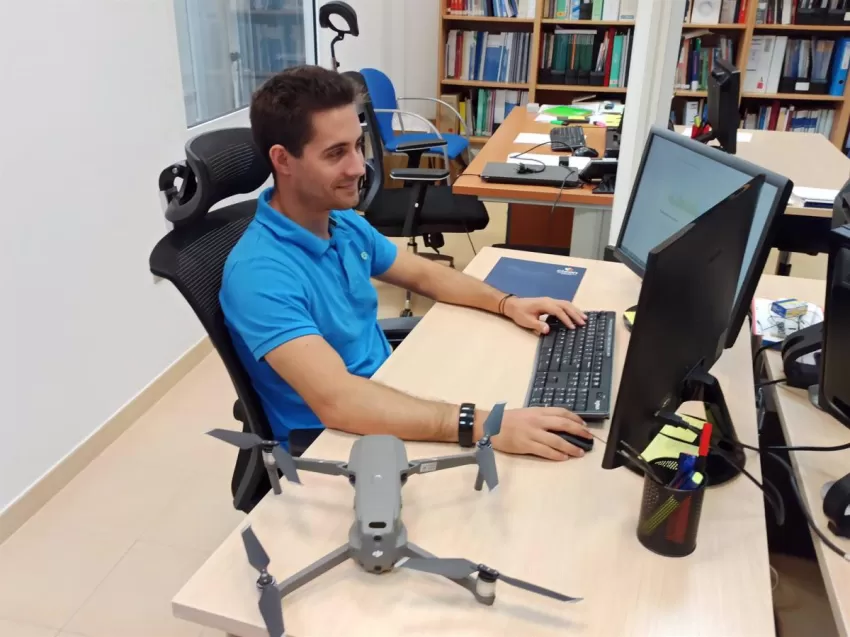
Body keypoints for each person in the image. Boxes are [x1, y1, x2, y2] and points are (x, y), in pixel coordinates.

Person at [220, 65, 593, 461]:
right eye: (335, 153)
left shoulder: (340, 220)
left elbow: (424, 274)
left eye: (358, 145)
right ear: (283, 160)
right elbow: (339, 401)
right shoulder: (259, 275)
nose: (358, 167)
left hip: (387, 394)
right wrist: (483, 425)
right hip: (337, 443)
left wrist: (507, 303)